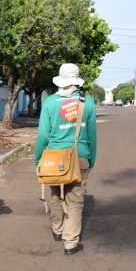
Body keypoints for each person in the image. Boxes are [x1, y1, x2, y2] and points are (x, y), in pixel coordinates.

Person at [35, 63, 97, 256]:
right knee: (76, 200)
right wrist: (91, 158)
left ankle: (57, 229)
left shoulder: (50, 102)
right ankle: (70, 243)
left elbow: (43, 136)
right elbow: (92, 134)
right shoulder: (87, 102)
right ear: (77, 82)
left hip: (54, 156)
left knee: (55, 193)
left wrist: (38, 160)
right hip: (80, 154)